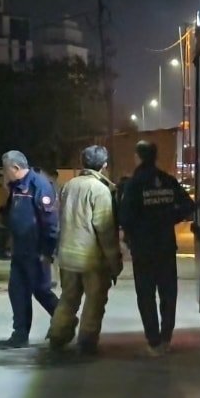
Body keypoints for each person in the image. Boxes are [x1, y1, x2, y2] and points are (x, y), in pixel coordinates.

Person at [118, 140, 193, 357]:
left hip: (143, 249)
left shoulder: (134, 184)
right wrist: (169, 218)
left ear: (138, 157)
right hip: (165, 246)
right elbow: (188, 206)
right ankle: (166, 338)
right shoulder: (168, 180)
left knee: (146, 295)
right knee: (168, 294)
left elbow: (125, 217)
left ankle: (153, 341)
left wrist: (134, 233)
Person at [47, 145, 122, 357]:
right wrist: (114, 261)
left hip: (67, 256)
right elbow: (105, 229)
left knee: (68, 298)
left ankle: (57, 336)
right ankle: (87, 342)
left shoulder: (68, 186)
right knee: (94, 301)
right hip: (91, 259)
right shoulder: (100, 190)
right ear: (104, 165)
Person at [0, 150, 60, 349]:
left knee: (41, 291)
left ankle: (64, 319)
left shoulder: (39, 185)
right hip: (20, 251)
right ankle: (20, 335)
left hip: (36, 252)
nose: (4, 173)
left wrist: (47, 251)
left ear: (16, 168)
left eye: (6, 170)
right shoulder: (16, 187)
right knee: (17, 291)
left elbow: (50, 223)